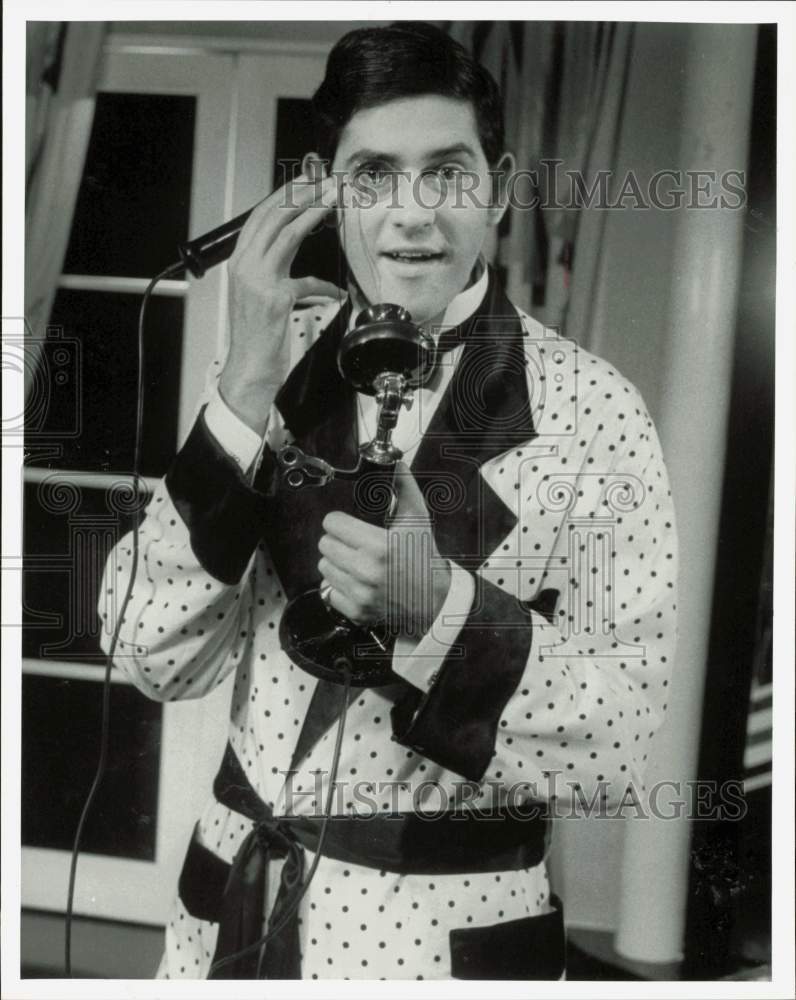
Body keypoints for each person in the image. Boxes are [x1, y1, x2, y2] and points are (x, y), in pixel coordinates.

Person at [99, 21, 678, 981]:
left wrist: (436, 608)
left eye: (446, 173)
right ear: (329, 190)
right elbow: (148, 654)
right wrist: (245, 383)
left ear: (495, 184)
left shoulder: (594, 408)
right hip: (228, 918)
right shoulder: (268, 371)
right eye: (373, 176)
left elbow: (617, 745)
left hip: (437, 947)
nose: (411, 216)